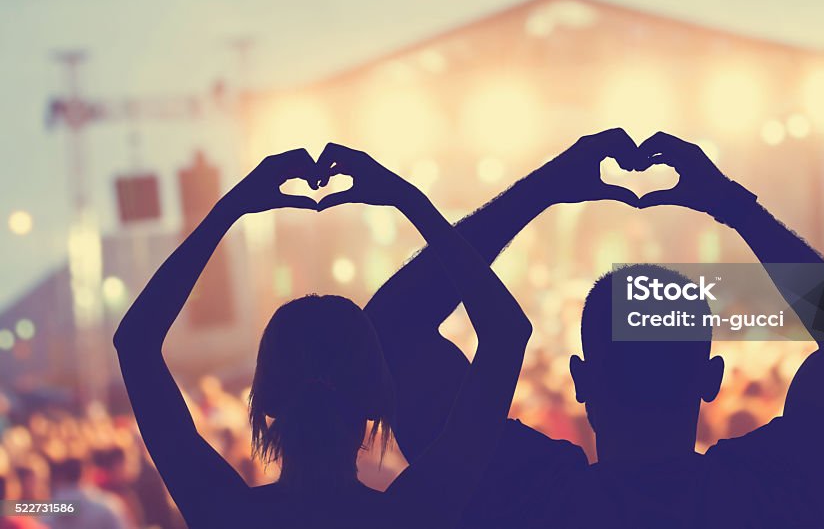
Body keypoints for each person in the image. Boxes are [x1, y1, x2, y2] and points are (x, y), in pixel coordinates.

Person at [366, 129, 824, 527]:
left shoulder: (523, 496)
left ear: (582, 380)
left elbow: (391, 331)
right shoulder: (763, 497)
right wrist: (732, 205)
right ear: (710, 379)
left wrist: (538, 191)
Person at [113, 145, 531, 528]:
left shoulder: (226, 513)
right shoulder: (415, 513)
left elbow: (135, 343)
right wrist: (406, 198)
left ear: (267, 399)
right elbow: (507, 333)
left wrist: (232, 206)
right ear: (377, 398)